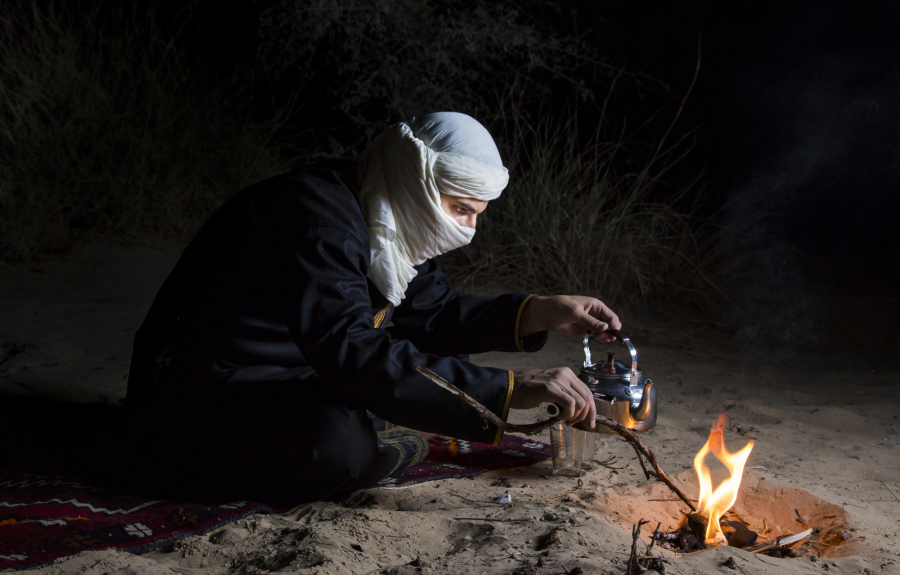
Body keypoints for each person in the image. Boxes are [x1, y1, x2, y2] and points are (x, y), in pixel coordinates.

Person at [125, 112, 621, 506]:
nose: (469, 230)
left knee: (431, 377)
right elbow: (354, 353)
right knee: (338, 447)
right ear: (420, 182)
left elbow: (431, 314)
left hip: (290, 373)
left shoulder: (386, 211)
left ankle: (380, 426)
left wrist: (538, 312)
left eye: (477, 213)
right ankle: (378, 442)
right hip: (196, 386)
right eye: (461, 209)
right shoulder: (323, 223)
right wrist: (512, 388)